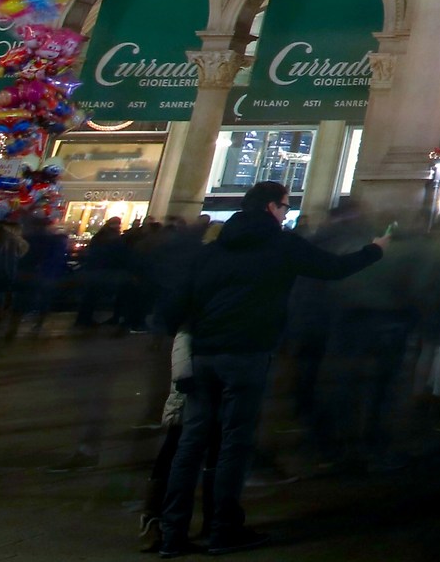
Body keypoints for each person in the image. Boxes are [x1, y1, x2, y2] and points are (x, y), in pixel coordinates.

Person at [156, 180, 386, 557]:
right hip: (246, 354)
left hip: (204, 356)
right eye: (283, 206)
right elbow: (333, 268)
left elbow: (176, 303)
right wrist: (374, 251)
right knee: (234, 442)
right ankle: (222, 529)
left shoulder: (212, 250)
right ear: (270, 208)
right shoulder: (281, 244)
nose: (285, 213)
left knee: (192, 443)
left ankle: (172, 532)